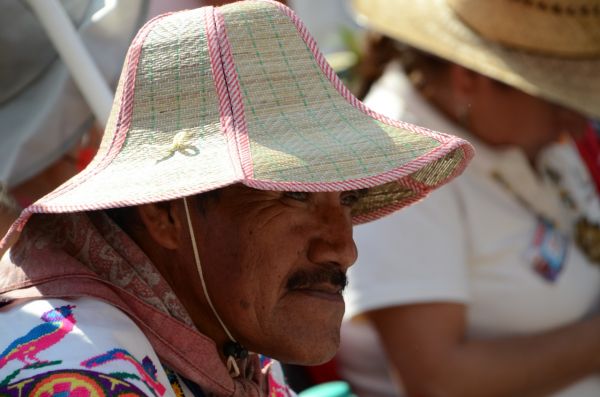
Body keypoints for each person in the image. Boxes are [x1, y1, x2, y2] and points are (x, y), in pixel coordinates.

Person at [0, 1, 472, 396]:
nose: (342, 248)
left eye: (347, 199)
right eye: (292, 195)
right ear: (165, 214)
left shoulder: (223, 334)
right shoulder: (80, 366)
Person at [338, 0, 600, 396]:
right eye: (557, 95)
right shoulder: (399, 162)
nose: (578, 120)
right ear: (469, 77)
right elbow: (436, 381)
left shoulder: (525, 128)